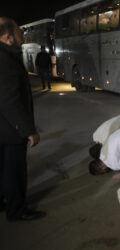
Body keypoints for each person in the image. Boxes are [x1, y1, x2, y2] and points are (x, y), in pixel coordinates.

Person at [0, 17, 46, 221]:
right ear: (8, 37)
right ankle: (17, 210)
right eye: (19, 32)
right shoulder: (6, 60)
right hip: (11, 131)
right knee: (15, 173)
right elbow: (10, 101)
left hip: (4, 129)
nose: (23, 36)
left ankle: (5, 202)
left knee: (3, 170)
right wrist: (28, 130)